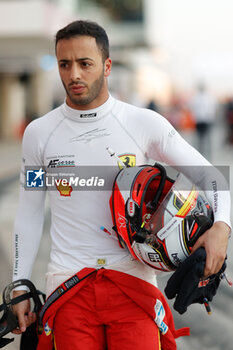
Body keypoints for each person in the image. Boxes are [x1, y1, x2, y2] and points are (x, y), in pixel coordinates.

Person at [12, 20, 231, 349]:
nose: (74, 75)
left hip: (134, 287)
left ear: (107, 65)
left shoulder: (142, 123)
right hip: (68, 289)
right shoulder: (39, 133)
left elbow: (211, 176)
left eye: (85, 64)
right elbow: (29, 212)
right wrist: (19, 286)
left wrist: (222, 229)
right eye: (64, 64)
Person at [190, 84, 216, 160]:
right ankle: (205, 154)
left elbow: (192, 107)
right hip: (204, 120)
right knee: (205, 138)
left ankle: (201, 154)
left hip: (201, 120)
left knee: (201, 138)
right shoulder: (208, 97)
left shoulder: (196, 97)